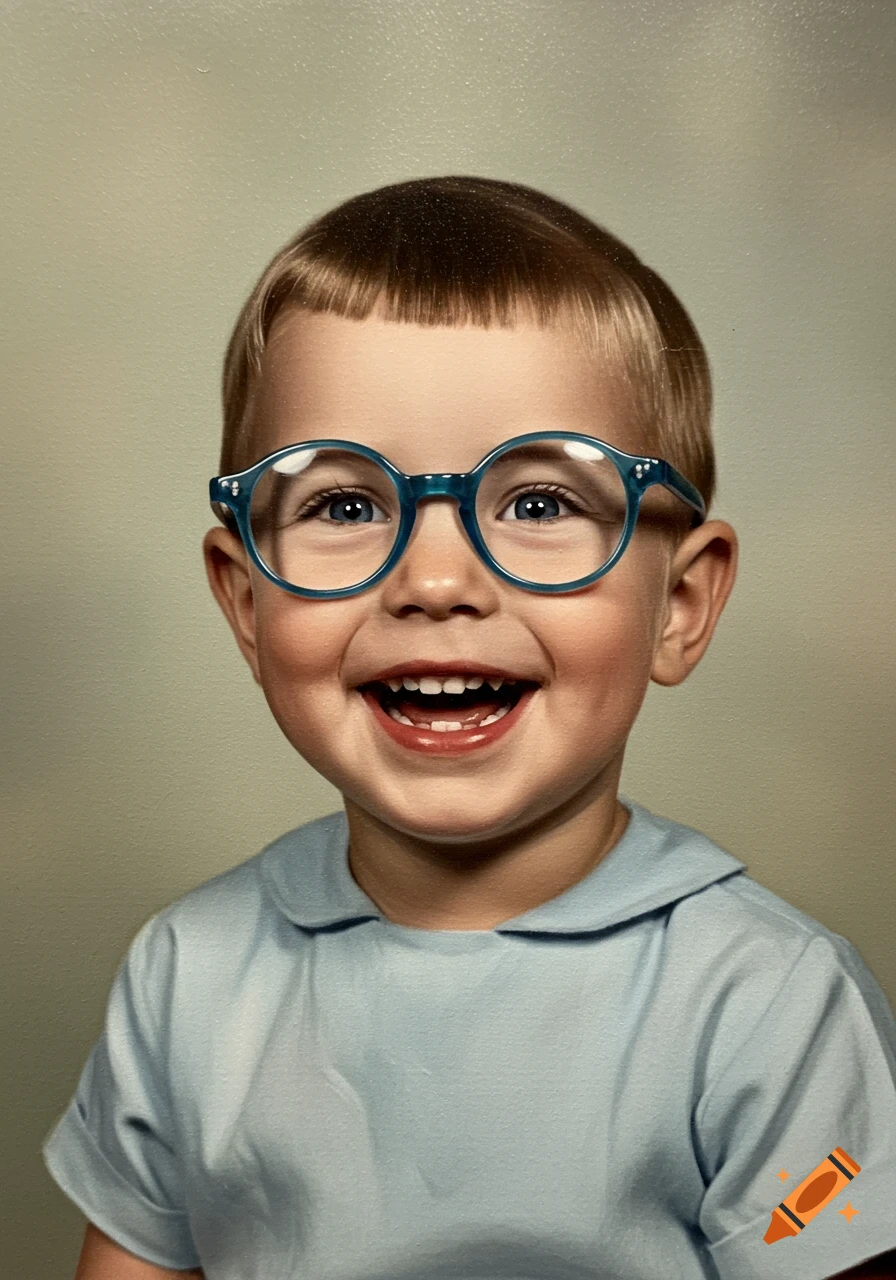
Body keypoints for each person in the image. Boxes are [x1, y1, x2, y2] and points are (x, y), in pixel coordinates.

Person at [43, 177, 896, 1280]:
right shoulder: (185, 974)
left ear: (678, 606)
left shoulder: (768, 1002)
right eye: (344, 505)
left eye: (539, 502)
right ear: (245, 602)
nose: (434, 578)